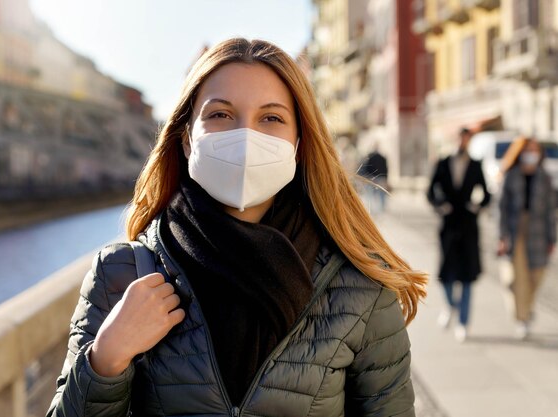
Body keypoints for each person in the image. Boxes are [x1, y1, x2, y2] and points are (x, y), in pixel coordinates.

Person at [47, 38, 427, 417]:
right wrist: (105, 360)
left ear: (298, 143)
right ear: (185, 140)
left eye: (271, 118)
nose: (246, 137)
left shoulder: (359, 285)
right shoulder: (120, 275)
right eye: (221, 115)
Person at [427, 127, 491, 342]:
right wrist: (440, 206)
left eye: (466, 139)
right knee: (445, 274)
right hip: (448, 226)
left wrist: (476, 207)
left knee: (466, 277)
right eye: (459, 138)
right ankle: (450, 306)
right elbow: (430, 191)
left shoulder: (475, 164)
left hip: (468, 227)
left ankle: (463, 322)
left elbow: (487, 194)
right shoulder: (443, 163)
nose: (462, 142)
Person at [498, 137, 556, 339]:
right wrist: (502, 236)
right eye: (528, 150)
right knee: (516, 276)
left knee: (536, 276)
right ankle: (521, 318)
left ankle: (527, 309)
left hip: (539, 232)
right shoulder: (511, 175)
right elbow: (502, 208)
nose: (531, 154)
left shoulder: (545, 178)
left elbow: (551, 211)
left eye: (535, 150)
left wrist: (552, 239)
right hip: (516, 232)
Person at [358, 145, 389, 214]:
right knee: (381, 194)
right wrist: (385, 179)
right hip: (381, 178)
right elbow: (386, 169)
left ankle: (371, 209)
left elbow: (366, 168)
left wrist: (366, 177)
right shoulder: (382, 157)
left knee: (370, 194)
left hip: (371, 178)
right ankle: (382, 209)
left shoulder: (369, 157)